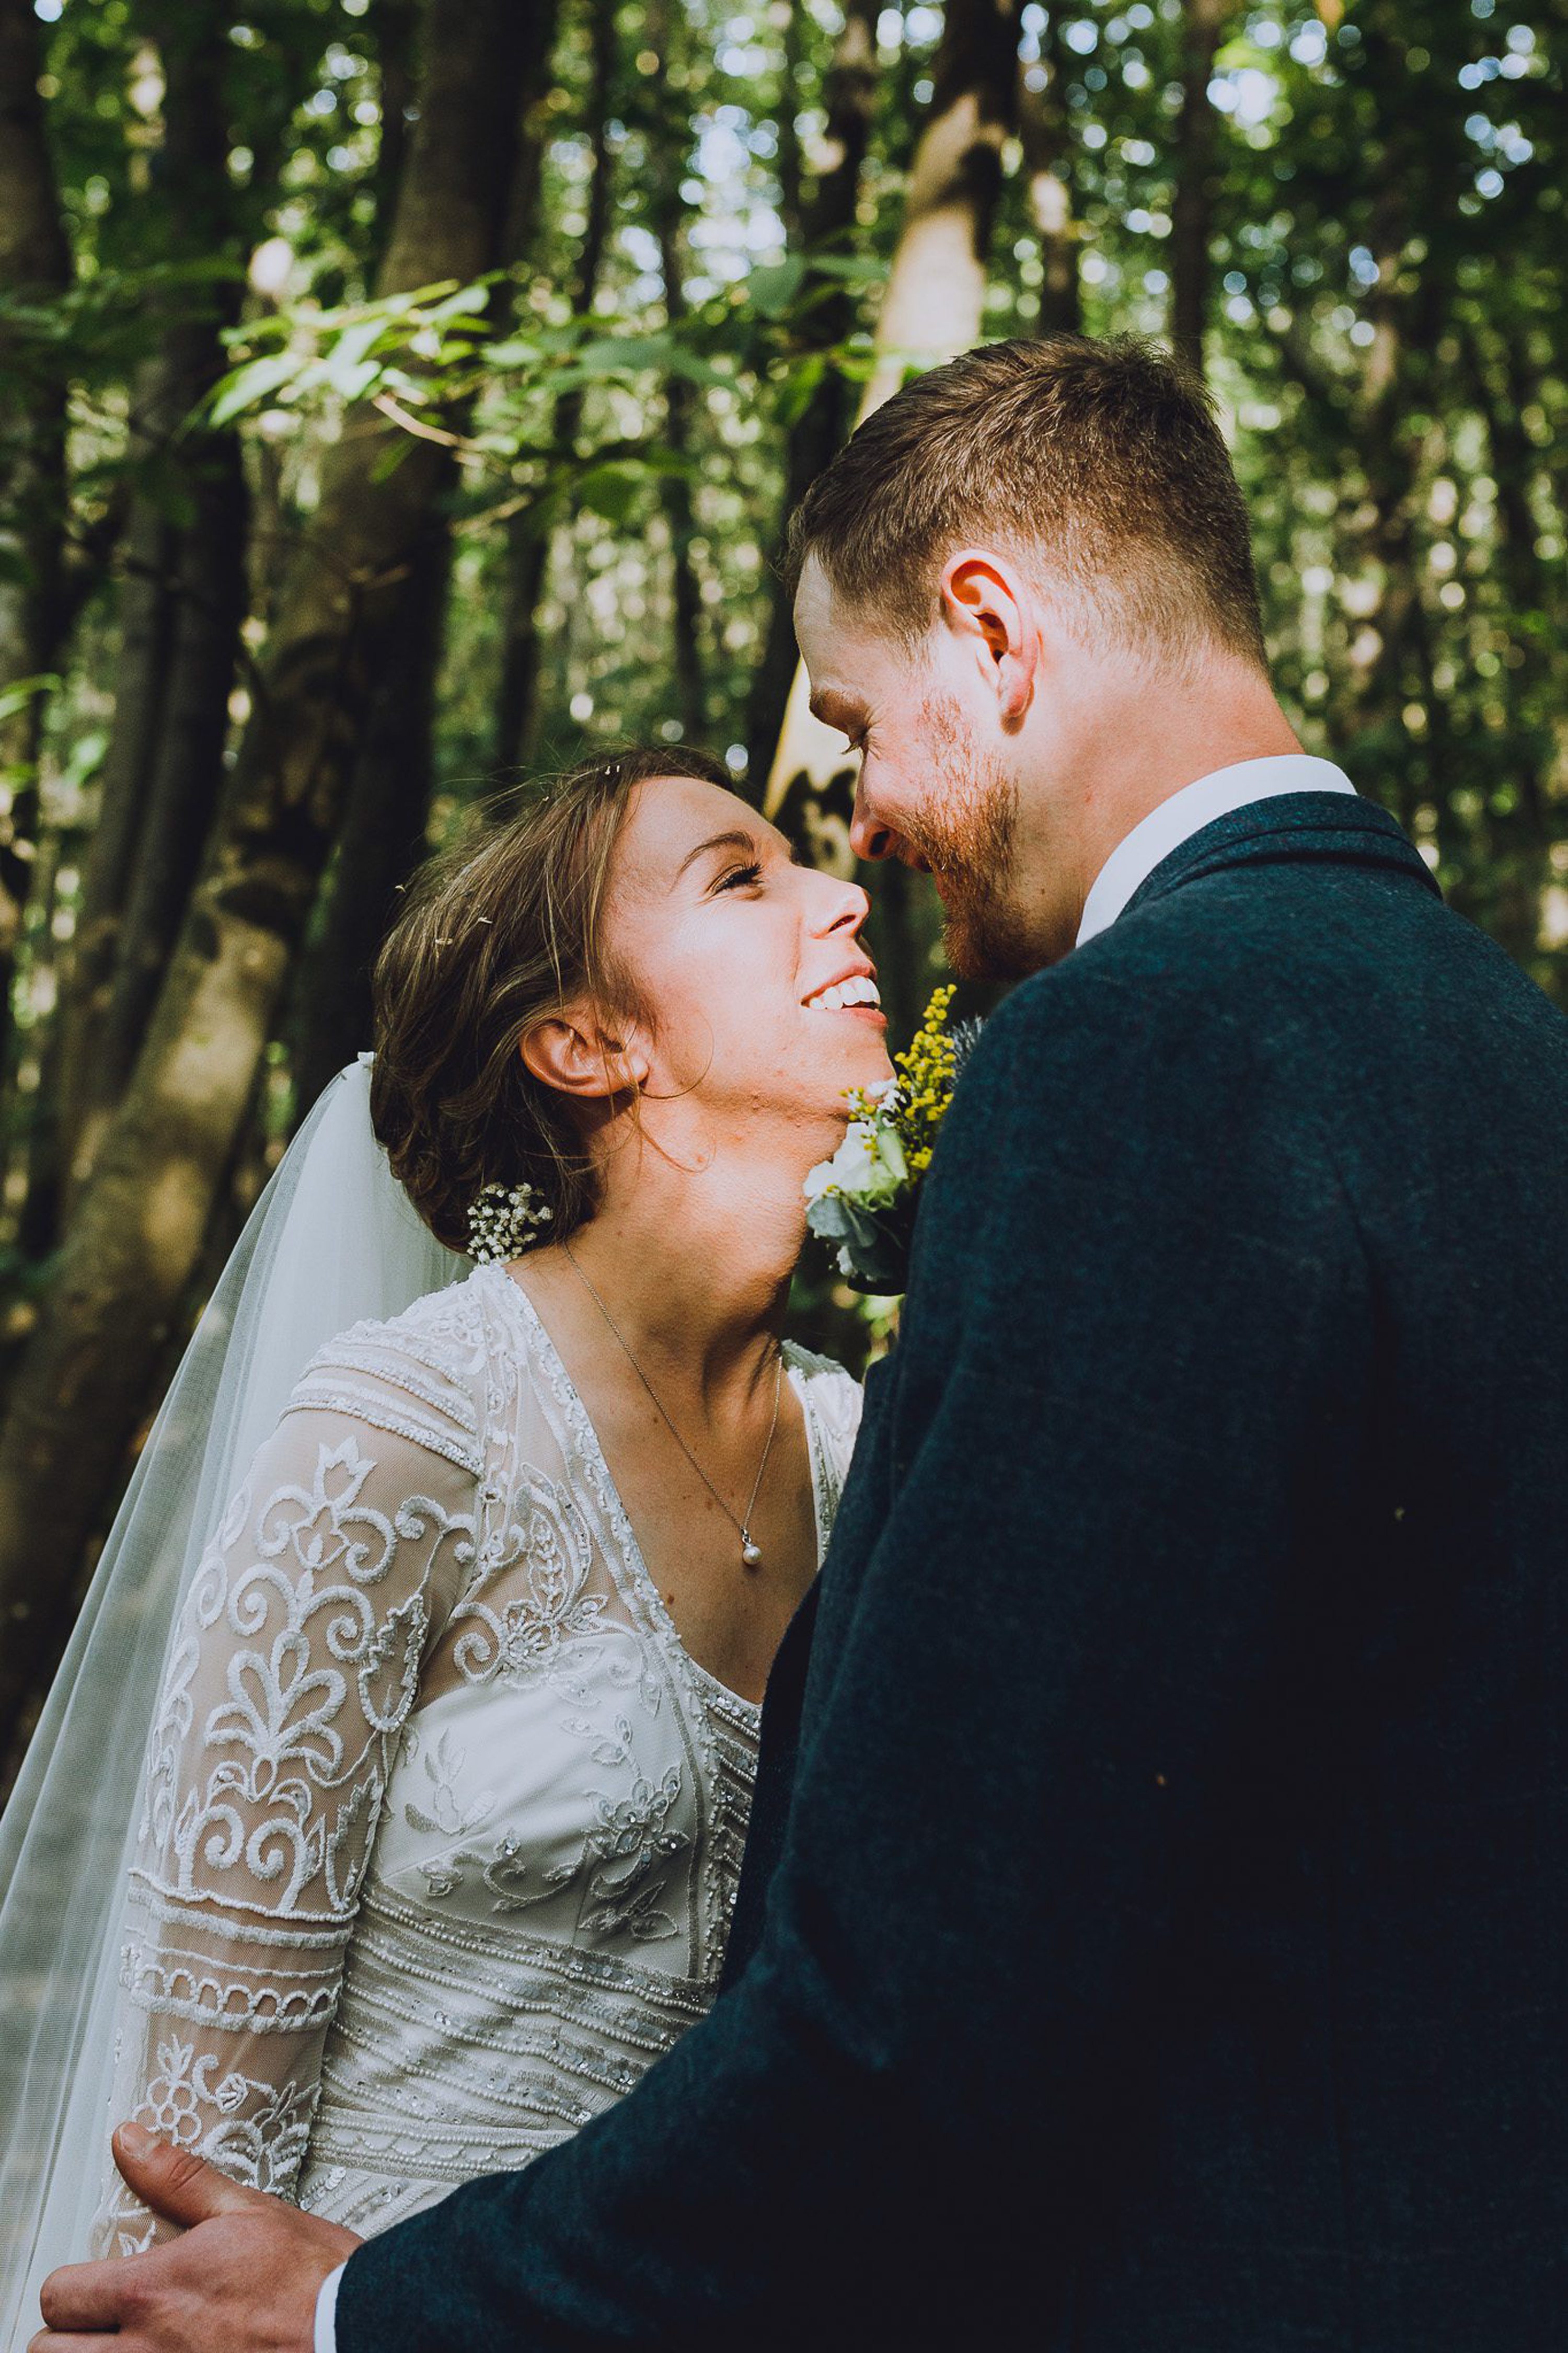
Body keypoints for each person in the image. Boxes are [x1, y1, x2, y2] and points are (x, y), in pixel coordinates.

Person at [37, 335, 1568, 2351]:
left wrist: (367, 2319)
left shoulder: (1125, 1069)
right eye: (750, 861)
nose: (862, 847)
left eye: (851, 733)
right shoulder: (1509, 1053)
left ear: (992, 637)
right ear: (582, 1044)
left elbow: (935, 2015)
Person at [5, 743, 880, 2336]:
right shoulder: (403, 1443)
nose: (846, 896)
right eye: (743, 878)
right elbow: (187, 2184)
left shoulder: (860, 1447)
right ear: (586, 1040)